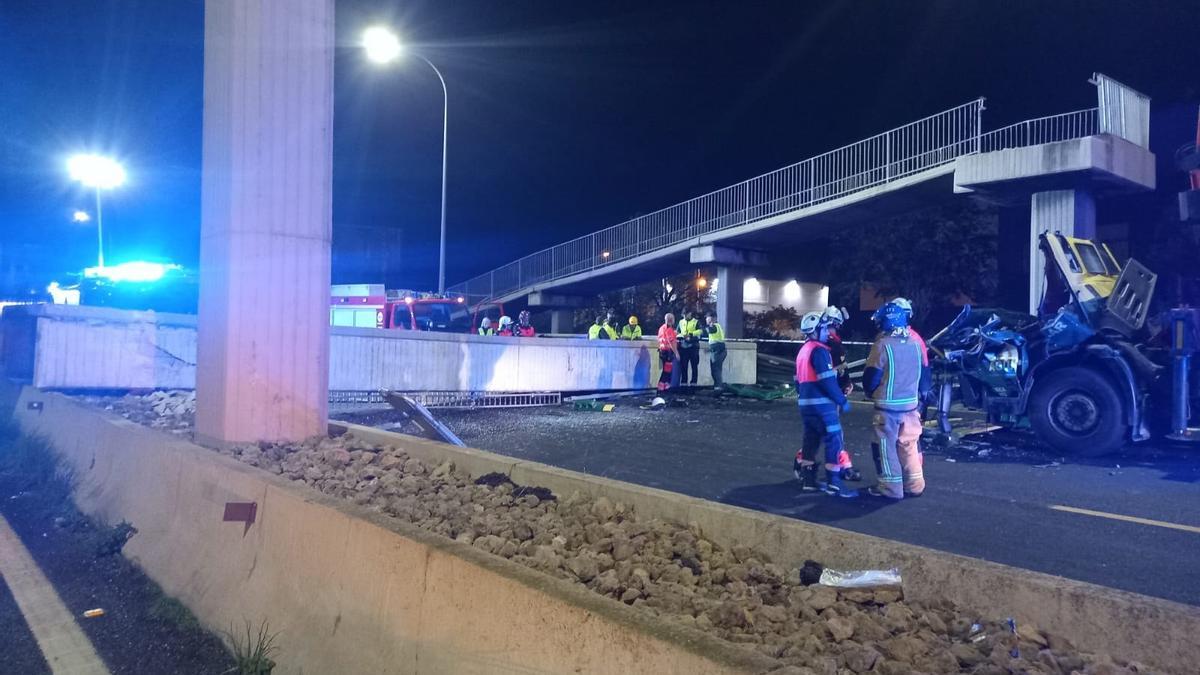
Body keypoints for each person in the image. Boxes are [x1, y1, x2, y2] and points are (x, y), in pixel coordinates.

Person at [862, 301, 930, 500]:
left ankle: (891, 489)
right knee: (909, 445)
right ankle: (916, 485)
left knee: (886, 447)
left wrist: (870, 391)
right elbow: (925, 374)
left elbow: (871, 377)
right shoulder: (916, 343)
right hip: (911, 406)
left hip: (888, 408)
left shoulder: (882, 344)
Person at [793, 311, 858, 498]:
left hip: (806, 406)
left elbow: (797, 380)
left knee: (810, 441)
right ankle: (835, 485)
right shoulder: (820, 351)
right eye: (823, 328)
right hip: (823, 406)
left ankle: (809, 482)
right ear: (816, 329)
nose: (827, 332)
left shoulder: (803, 351)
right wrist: (842, 400)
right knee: (834, 441)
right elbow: (827, 380)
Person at [677, 309, 702, 385]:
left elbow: (700, 331)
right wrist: (682, 336)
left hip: (693, 346)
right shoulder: (681, 322)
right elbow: (677, 332)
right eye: (683, 315)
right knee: (684, 366)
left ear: (690, 313)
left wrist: (691, 335)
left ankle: (693, 383)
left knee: (694, 366)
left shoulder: (696, 322)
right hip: (683, 346)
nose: (684, 317)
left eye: (686, 315)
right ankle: (684, 383)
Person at [657, 313, 681, 391]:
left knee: (666, 369)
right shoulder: (669, 329)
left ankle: (663, 386)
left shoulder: (661, 328)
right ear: (671, 320)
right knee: (667, 370)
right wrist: (676, 353)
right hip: (667, 352)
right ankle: (663, 386)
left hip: (662, 351)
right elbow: (671, 342)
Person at [704, 312, 726, 389]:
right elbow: (715, 341)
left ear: (712, 318)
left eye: (707, 318)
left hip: (717, 351)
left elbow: (710, 330)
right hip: (719, 349)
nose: (706, 319)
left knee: (716, 369)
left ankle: (718, 387)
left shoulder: (714, 326)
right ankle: (718, 386)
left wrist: (704, 328)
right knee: (717, 369)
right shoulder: (718, 326)